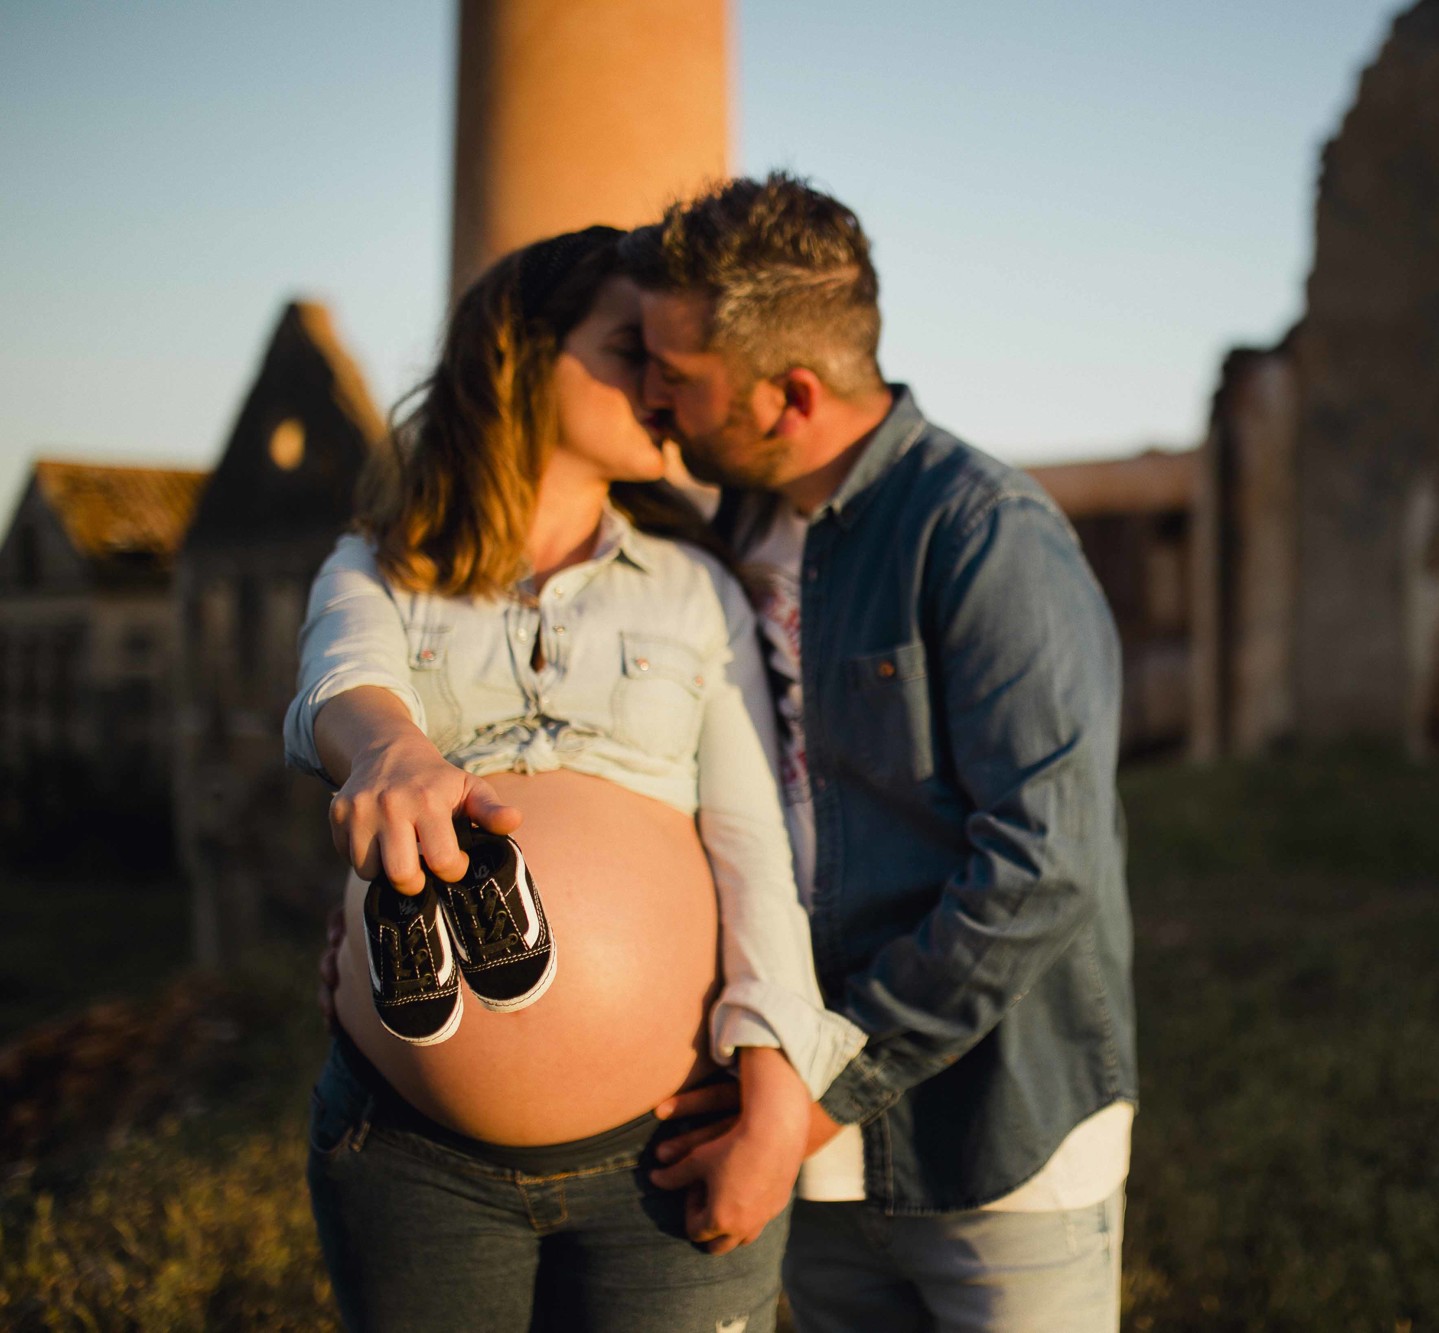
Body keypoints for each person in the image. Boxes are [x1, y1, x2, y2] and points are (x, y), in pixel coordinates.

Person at [285, 224, 862, 1333]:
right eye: (628, 348)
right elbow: (338, 683)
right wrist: (391, 748)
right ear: (522, 352)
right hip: (412, 1157)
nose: (661, 386)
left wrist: (779, 1098)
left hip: (662, 1150)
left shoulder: (692, 589)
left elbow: (753, 849)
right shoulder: (376, 563)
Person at [624, 175, 1137, 1333]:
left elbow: (1038, 866)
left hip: (997, 1144)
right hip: (798, 1163)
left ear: (789, 393)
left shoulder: (984, 536)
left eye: (678, 374)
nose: (651, 396)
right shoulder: (723, 537)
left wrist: (810, 1099)